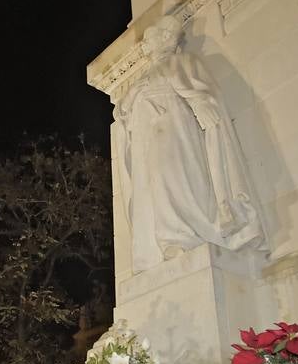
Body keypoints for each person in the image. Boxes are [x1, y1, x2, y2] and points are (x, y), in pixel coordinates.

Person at [112, 15, 264, 272]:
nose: (146, 46)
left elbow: (202, 92)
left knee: (180, 179)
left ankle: (187, 234)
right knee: (156, 187)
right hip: (147, 139)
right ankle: (169, 239)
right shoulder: (141, 80)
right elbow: (122, 112)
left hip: (177, 131)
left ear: (165, 40)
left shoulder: (183, 62)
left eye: (150, 40)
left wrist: (203, 103)